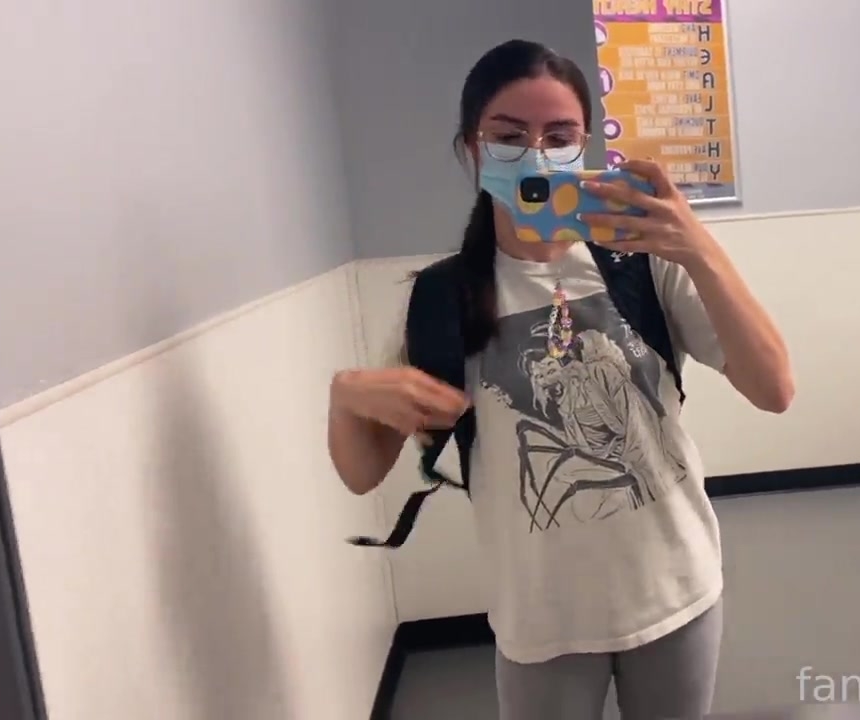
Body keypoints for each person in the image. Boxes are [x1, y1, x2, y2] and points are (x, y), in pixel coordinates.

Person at [327, 39, 793, 720]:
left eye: (559, 136)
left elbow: (774, 389)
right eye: (509, 135)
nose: (536, 155)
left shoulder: (642, 263)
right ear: (471, 147)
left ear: (584, 146)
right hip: (541, 622)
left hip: (676, 592)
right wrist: (345, 395)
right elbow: (362, 472)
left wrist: (697, 246)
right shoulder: (441, 299)